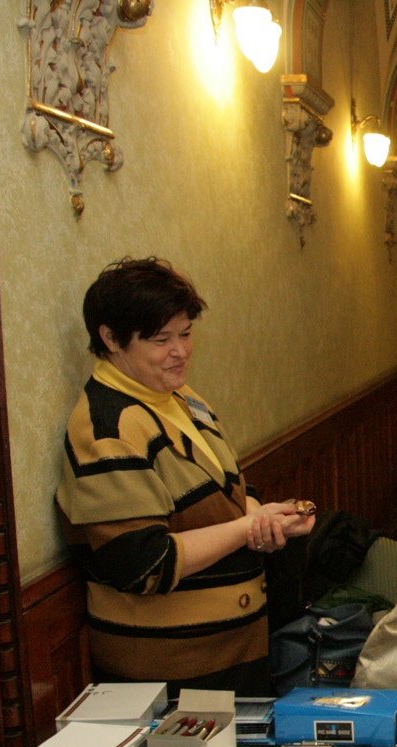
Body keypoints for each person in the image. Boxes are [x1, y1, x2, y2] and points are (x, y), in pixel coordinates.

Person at [56, 257, 315, 695]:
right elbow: (145, 564)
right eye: (162, 340)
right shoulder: (107, 429)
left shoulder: (180, 397)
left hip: (234, 648)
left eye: (186, 334)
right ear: (111, 339)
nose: (181, 351)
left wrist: (263, 518)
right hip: (172, 669)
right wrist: (248, 527)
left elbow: (228, 486)